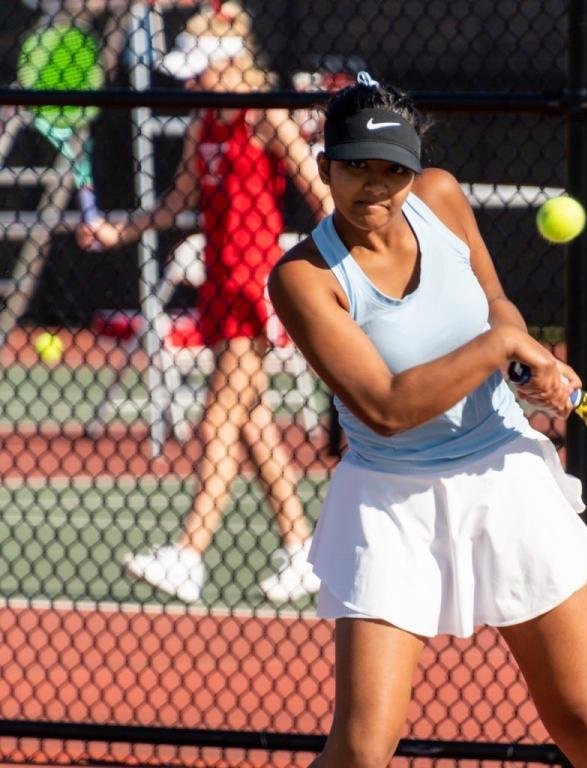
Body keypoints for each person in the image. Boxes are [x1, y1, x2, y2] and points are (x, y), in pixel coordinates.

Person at [268, 73, 587, 767]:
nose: (376, 188)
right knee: (361, 747)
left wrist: (526, 362)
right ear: (324, 168)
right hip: (389, 500)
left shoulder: (440, 197)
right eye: (357, 168)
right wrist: (498, 348)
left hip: (506, 476)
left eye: (393, 171)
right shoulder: (303, 278)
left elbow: (496, 303)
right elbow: (384, 407)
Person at [77, 2, 334, 604]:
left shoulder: (261, 117)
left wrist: (348, 255)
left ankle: (190, 555)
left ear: (231, 61)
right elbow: (174, 205)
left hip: (253, 287)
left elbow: (317, 190)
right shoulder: (205, 123)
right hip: (218, 285)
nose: (192, 81)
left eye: (200, 69)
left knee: (220, 418)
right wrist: (120, 230)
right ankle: (301, 549)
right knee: (251, 424)